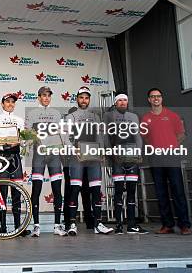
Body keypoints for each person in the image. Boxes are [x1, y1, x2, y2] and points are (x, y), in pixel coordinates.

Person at [141, 88, 191, 235]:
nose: (156, 99)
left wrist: (171, 145)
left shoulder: (172, 116)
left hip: (171, 156)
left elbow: (182, 135)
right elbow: (144, 137)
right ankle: (167, 225)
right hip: (156, 157)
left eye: (158, 96)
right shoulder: (145, 118)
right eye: (153, 97)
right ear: (149, 100)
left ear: (161, 98)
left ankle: (184, 225)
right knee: (160, 191)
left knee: (178, 189)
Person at [65, 86, 113, 235]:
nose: (84, 100)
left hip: (93, 158)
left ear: (89, 100)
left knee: (95, 189)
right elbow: (65, 138)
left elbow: (100, 137)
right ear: (77, 99)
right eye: (81, 97)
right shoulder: (70, 117)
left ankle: (98, 224)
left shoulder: (95, 117)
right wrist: (74, 149)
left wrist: (102, 151)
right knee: (75, 188)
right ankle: (72, 224)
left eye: (86, 98)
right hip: (77, 157)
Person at [103, 94, 148, 234]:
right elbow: (105, 137)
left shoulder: (133, 116)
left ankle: (132, 225)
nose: (123, 102)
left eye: (125, 100)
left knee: (131, 192)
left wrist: (139, 153)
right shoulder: (108, 116)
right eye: (120, 100)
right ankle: (118, 225)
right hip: (117, 158)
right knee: (118, 192)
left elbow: (138, 136)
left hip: (132, 158)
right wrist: (111, 152)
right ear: (115, 103)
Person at [0, 92, 30, 236]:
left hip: (16, 157)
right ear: (2, 104)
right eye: (7, 102)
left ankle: (19, 228)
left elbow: (24, 140)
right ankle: (3, 227)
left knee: (17, 193)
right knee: (2, 193)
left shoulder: (19, 120)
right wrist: (0, 146)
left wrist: (21, 141)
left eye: (13, 102)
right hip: (1, 158)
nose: (10, 104)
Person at [26, 86, 65, 237]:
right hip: (39, 154)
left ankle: (57, 225)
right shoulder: (32, 113)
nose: (46, 98)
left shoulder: (56, 113)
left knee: (57, 189)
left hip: (54, 154)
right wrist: (31, 137)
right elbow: (27, 133)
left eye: (48, 95)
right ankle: (36, 226)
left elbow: (62, 133)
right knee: (36, 189)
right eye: (43, 95)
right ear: (38, 97)